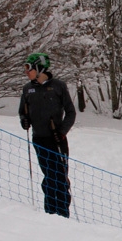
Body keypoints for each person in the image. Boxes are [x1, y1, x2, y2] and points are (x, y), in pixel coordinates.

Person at [18, 53, 76, 218]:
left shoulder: (58, 86)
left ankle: (63, 214)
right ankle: (50, 213)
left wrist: (62, 131)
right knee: (49, 176)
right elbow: (22, 112)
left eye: (28, 68)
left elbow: (71, 113)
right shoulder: (28, 89)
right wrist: (24, 121)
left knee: (60, 177)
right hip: (39, 139)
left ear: (39, 68)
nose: (26, 72)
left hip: (57, 140)